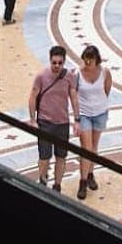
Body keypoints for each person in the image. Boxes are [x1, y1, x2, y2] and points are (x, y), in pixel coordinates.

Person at [29, 45, 78, 191]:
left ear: (64, 62)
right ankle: (43, 183)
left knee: (61, 157)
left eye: (60, 63)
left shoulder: (69, 76)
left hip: (62, 123)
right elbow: (32, 98)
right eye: (54, 62)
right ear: (50, 61)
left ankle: (57, 185)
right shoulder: (41, 77)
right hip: (45, 123)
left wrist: (77, 120)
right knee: (44, 157)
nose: (57, 66)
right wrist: (32, 120)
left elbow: (74, 98)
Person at [76, 44, 112, 201]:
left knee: (94, 147)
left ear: (96, 60)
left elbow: (107, 89)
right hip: (84, 114)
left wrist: (99, 103)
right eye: (86, 60)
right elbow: (73, 94)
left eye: (91, 61)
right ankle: (83, 181)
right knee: (86, 148)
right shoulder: (77, 73)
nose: (88, 64)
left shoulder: (105, 72)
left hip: (100, 112)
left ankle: (90, 173)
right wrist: (76, 118)